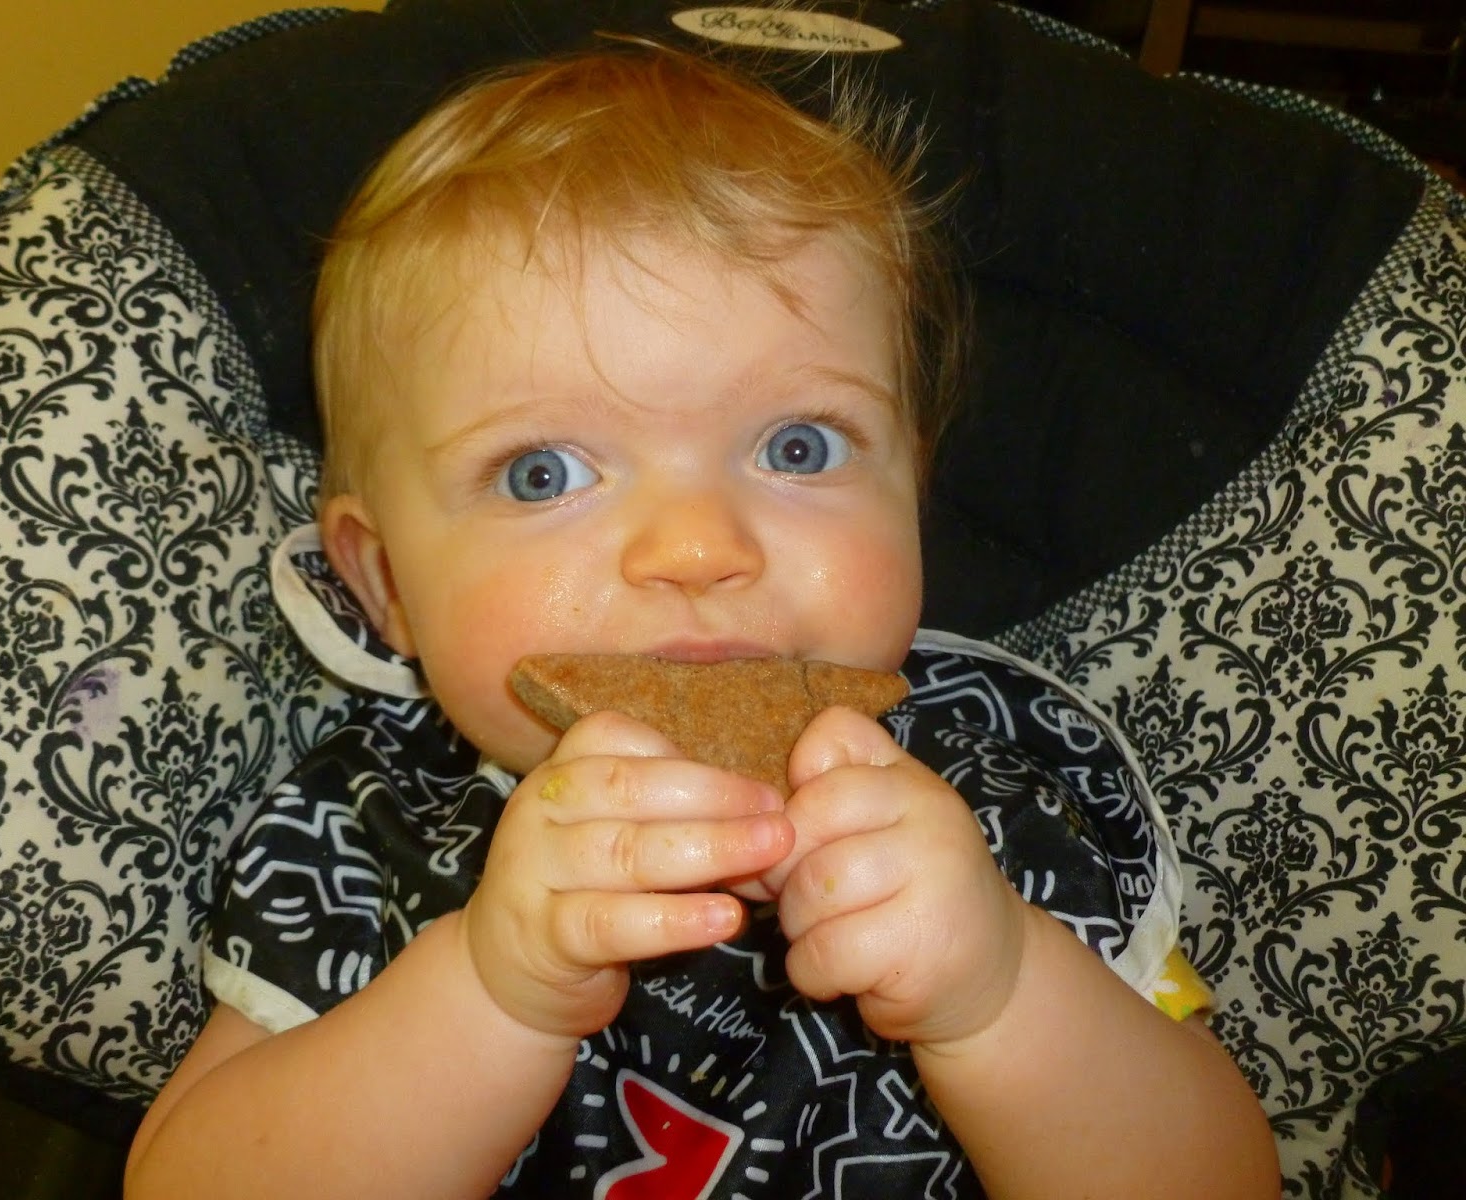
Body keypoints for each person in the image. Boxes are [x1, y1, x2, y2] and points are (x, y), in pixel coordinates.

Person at [124, 41, 1278, 1200]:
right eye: (542, 474)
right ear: (382, 583)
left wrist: (1002, 994)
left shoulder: (1005, 803)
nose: (697, 550)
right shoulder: (363, 837)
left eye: (797, 448)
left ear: (912, 493)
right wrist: (487, 995)